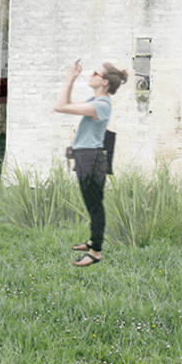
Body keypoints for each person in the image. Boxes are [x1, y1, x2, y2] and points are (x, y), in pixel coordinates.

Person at [54, 59, 128, 267]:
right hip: (88, 157)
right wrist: (71, 79)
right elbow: (65, 104)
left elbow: (60, 107)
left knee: (95, 206)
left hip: (91, 159)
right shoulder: (96, 101)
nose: (92, 74)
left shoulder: (100, 106)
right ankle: (93, 241)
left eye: (97, 73)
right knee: (92, 204)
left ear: (104, 82)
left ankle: (96, 252)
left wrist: (69, 77)